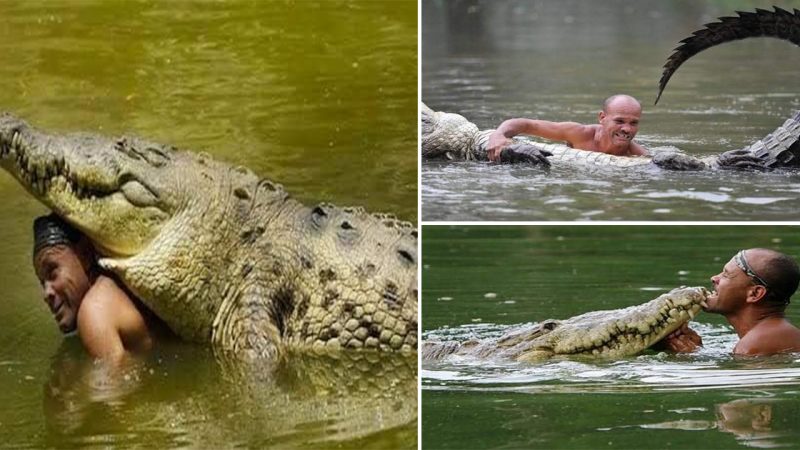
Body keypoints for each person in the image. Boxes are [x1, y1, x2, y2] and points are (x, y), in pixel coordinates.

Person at [32, 214, 162, 365]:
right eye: (42, 282)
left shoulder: (94, 310)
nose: (46, 293)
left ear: (85, 254)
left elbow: (111, 387)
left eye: (53, 273)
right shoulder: (117, 287)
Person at [660, 248, 800, 356]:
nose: (714, 278)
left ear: (755, 293)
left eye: (726, 275)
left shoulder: (753, 346)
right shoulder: (771, 336)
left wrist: (691, 358)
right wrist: (698, 351)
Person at [485, 94, 649, 161]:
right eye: (619, 121)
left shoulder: (639, 156)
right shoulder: (579, 134)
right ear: (602, 118)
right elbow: (526, 124)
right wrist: (498, 134)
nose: (627, 129)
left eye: (633, 123)